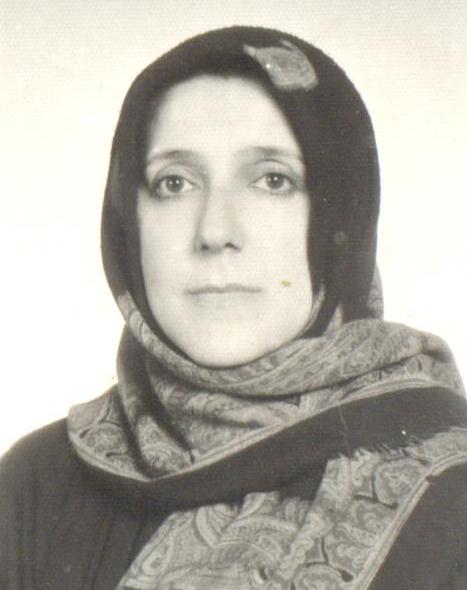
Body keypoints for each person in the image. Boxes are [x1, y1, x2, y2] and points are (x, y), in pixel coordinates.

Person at [1, 26, 467, 590]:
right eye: (175, 183)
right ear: (129, 220)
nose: (215, 231)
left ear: (340, 216)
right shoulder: (32, 485)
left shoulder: (454, 494)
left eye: (272, 180)